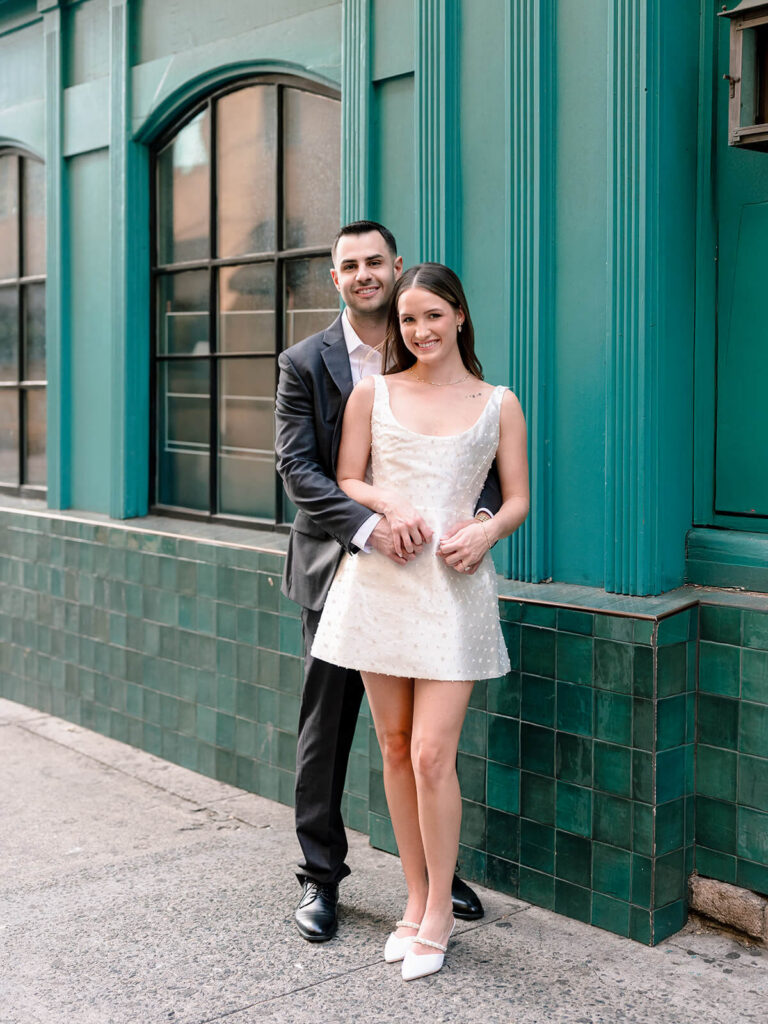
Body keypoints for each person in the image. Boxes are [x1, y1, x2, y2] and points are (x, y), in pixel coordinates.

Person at [275, 223, 496, 944]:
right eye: (350, 265)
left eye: (375, 262)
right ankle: (321, 879)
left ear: (397, 270)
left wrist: (484, 519)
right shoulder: (305, 362)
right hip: (340, 564)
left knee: (422, 747)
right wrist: (368, 526)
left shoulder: (432, 356)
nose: (364, 273)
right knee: (329, 730)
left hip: (430, 579)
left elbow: (480, 460)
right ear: (333, 278)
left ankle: (430, 879)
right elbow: (301, 469)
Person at [310, 262, 529, 980]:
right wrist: (389, 507)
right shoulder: (375, 392)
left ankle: (439, 910)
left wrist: (488, 530)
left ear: (460, 316)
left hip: (452, 590)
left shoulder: (500, 402)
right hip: (380, 584)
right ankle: (413, 898)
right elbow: (347, 478)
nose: (421, 330)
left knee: (435, 753)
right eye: (409, 320)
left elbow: (519, 497)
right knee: (395, 744)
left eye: (434, 315)